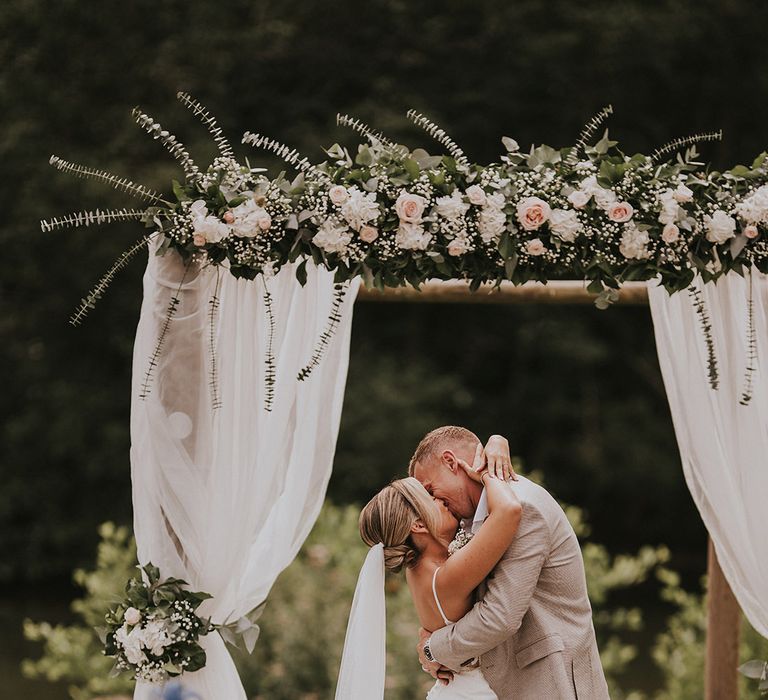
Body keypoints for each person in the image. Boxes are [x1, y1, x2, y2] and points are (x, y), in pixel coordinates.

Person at [411, 426, 610, 699]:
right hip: (506, 679)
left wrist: (435, 648)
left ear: (450, 462)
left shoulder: (523, 507)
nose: (433, 502)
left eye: (431, 490)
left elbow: (499, 616)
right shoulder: (467, 516)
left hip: (550, 679)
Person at [336, 435, 521, 699]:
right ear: (419, 526)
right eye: (431, 497)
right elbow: (509, 510)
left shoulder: (424, 567)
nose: (442, 499)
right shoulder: (445, 574)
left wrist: (431, 646)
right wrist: (488, 467)